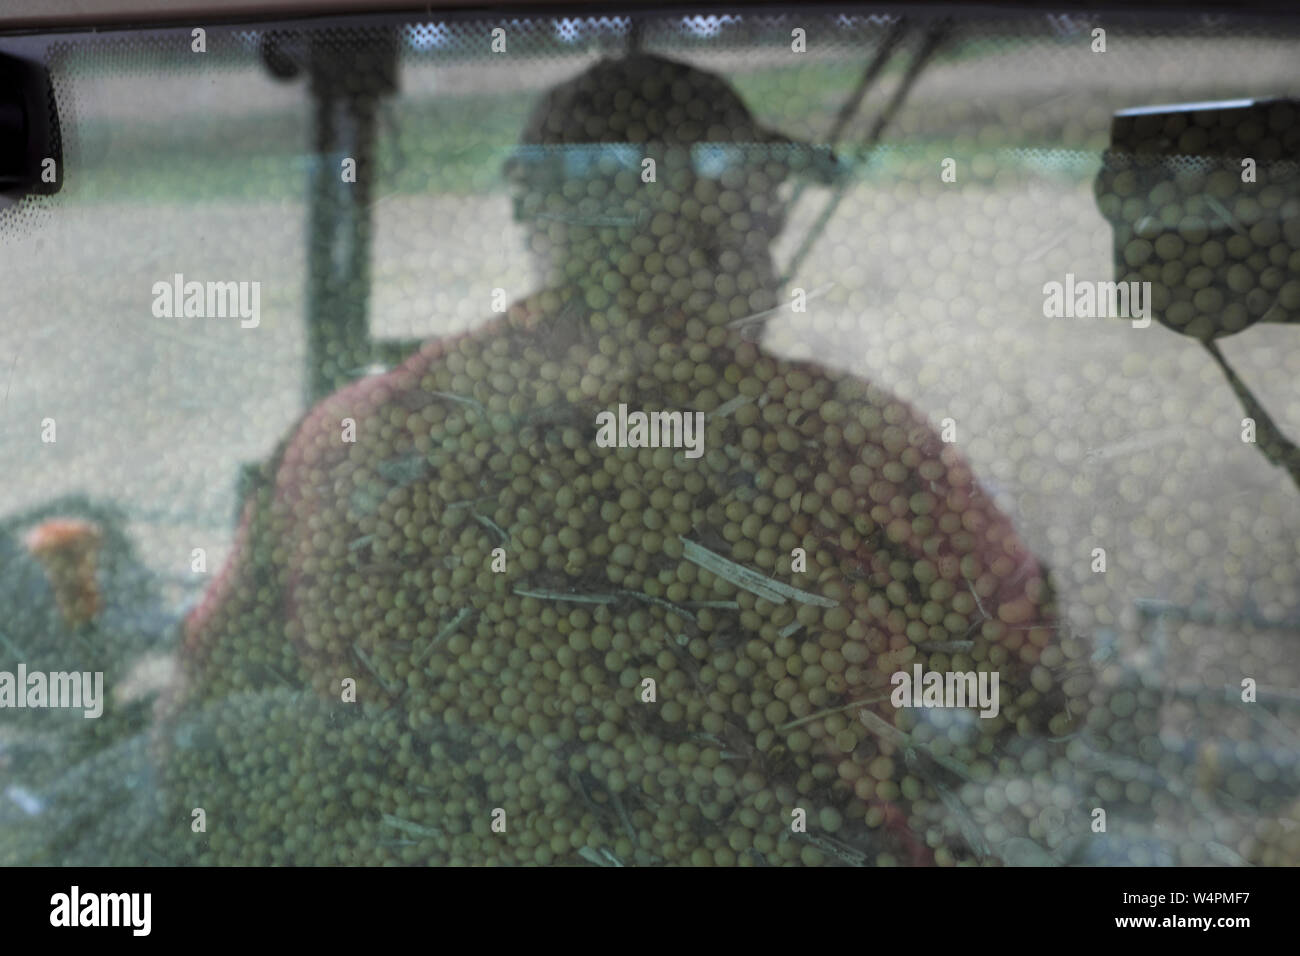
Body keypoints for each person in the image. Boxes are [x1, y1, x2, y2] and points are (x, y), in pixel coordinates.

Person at [165, 53, 1076, 867]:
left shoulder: (340, 439)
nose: (772, 270)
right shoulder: (848, 445)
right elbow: (1035, 687)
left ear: (535, 214)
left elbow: (211, 692)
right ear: (716, 221)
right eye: (762, 226)